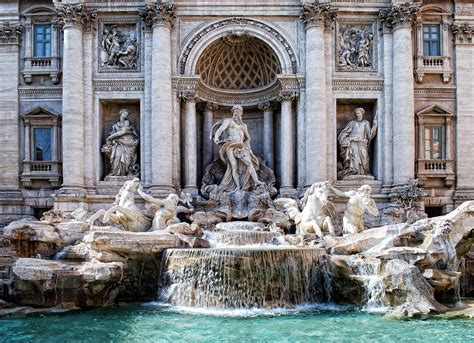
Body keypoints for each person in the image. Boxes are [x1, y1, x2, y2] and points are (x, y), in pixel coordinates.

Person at [212, 105, 264, 192]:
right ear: (232, 112)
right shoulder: (228, 121)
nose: (236, 112)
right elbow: (220, 130)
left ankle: (256, 180)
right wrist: (217, 137)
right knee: (234, 166)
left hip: (241, 146)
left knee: (248, 162)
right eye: (235, 111)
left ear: (241, 113)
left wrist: (247, 144)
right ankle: (238, 186)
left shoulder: (243, 126)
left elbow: (248, 137)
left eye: (238, 111)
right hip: (230, 145)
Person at [338, 107, 377, 177]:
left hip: (362, 143)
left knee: (364, 157)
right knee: (354, 157)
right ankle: (354, 172)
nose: (358, 115)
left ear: (362, 114)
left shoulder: (366, 123)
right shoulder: (352, 123)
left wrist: (374, 125)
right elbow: (345, 133)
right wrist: (346, 139)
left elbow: (370, 135)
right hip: (353, 142)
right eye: (356, 113)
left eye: (359, 113)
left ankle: (363, 172)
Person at [102, 109, 139, 176]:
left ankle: (124, 173)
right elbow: (112, 133)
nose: (125, 116)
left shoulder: (127, 122)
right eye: (124, 114)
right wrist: (111, 139)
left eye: (126, 115)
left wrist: (110, 137)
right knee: (117, 156)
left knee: (126, 161)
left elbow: (123, 132)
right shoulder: (116, 125)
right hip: (118, 143)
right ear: (121, 113)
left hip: (127, 142)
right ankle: (115, 172)